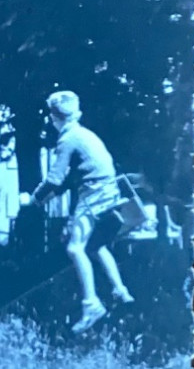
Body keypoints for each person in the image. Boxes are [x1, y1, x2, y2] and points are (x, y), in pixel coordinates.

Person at [21, 90, 134, 334]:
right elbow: (69, 180)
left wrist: (33, 200)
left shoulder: (68, 139)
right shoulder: (86, 135)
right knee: (94, 245)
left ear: (54, 117)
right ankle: (120, 289)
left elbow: (55, 179)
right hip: (109, 192)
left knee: (74, 248)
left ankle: (91, 303)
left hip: (94, 196)